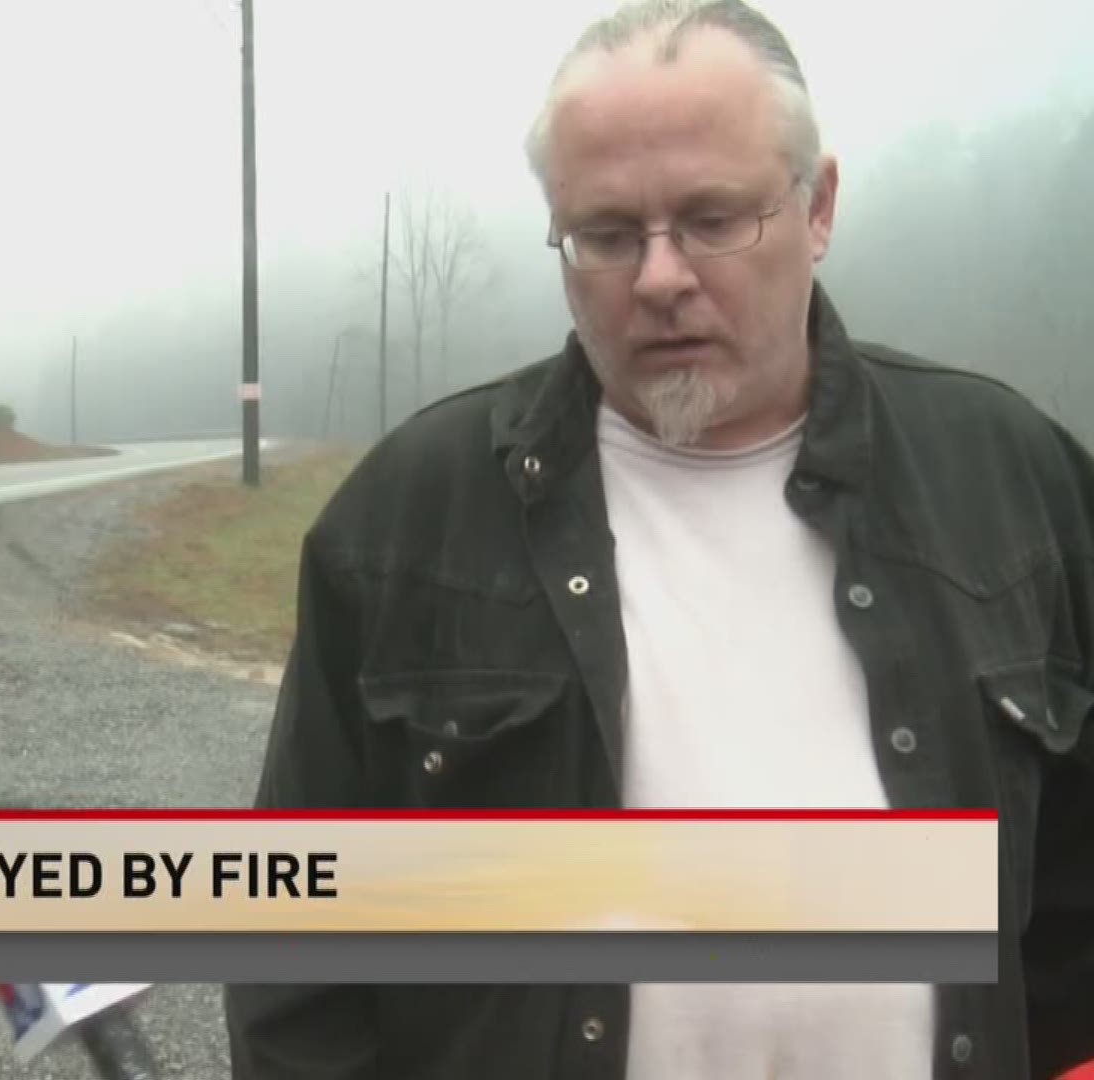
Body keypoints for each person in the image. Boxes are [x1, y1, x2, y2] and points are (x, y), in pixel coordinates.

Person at [224, 1, 1093, 1078]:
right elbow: (300, 949)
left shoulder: (1013, 480)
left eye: (714, 218)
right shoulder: (408, 520)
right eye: (607, 233)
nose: (660, 278)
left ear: (818, 206)